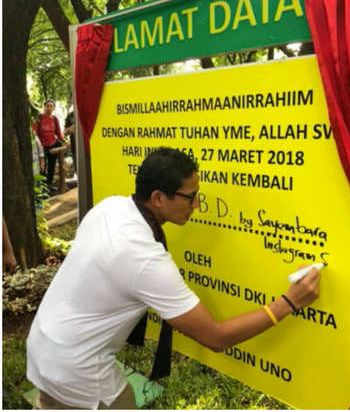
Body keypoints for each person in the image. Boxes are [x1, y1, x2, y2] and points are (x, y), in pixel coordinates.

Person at [26, 147, 320, 409]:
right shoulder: (143, 258)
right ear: (157, 198)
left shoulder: (110, 207)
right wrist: (289, 302)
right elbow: (215, 337)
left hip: (43, 347)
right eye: (190, 197)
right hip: (79, 375)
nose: (196, 205)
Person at [32, 99, 69, 193]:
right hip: (42, 146)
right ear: (44, 107)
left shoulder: (55, 119)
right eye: (47, 105)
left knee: (52, 166)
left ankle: (49, 184)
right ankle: (42, 186)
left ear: (54, 108)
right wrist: (38, 144)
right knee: (42, 166)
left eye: (51, 106)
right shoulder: (39, 117)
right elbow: (35, 132)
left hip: (52, 144)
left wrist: (65, 141)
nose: (49, 107)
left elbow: (59, 134)